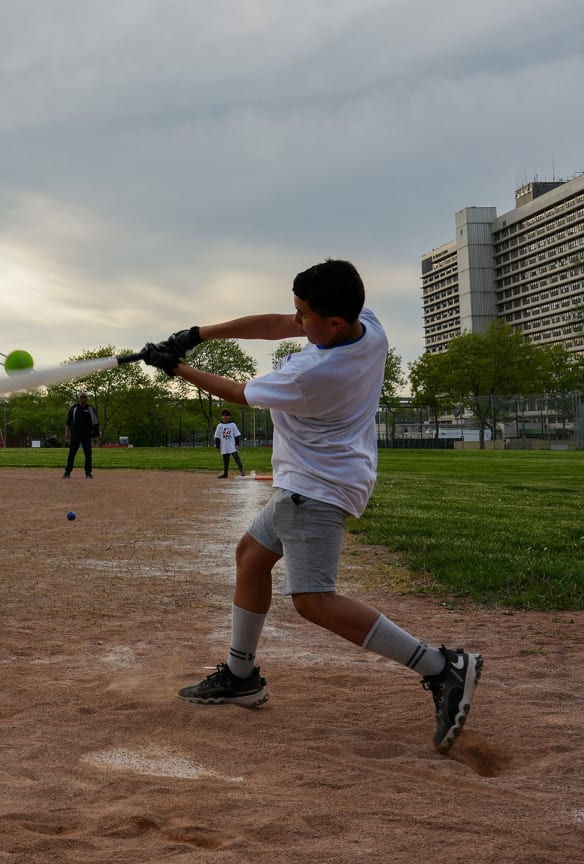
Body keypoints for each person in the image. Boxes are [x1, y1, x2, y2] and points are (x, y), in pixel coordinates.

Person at [142, 259, 481, 753]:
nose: (297, 323)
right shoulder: (370, 329)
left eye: (305, 316)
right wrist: (196, 334)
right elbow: (275, 326)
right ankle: (240, 676)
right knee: (251, 557)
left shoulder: (313, 373)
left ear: (335, 322)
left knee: (313, 599)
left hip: (317, 487)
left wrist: (175, 367)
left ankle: (439, 666)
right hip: (316, 478)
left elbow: (238, 393)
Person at [62, 392, 98, 479]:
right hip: (75, 435)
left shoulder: (90, 409)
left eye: (84, 397)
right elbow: (68, 422)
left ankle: (88, 473)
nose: (82, 398)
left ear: (87, 398)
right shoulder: (74, 408)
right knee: (72, 453)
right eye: (81, 397)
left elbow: (95, 423)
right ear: (78, 398)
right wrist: (67, 432)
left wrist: (97, 434)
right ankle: (67, 472)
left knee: (88, 454)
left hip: (86, 435)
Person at [213, 408, 245, 477]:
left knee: (237, 458)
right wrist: (217, 447)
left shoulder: (233, 425)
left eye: (227, 415)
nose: (225, 417)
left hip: (232, 445)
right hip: (224, 446)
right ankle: (225, 473)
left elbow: (236, 435)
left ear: (229, 417)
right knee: (225, 460)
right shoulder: (219, 426)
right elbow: (217, 437)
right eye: (224, 415)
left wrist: (237, 444)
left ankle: (242, 471)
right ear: (222, 417)